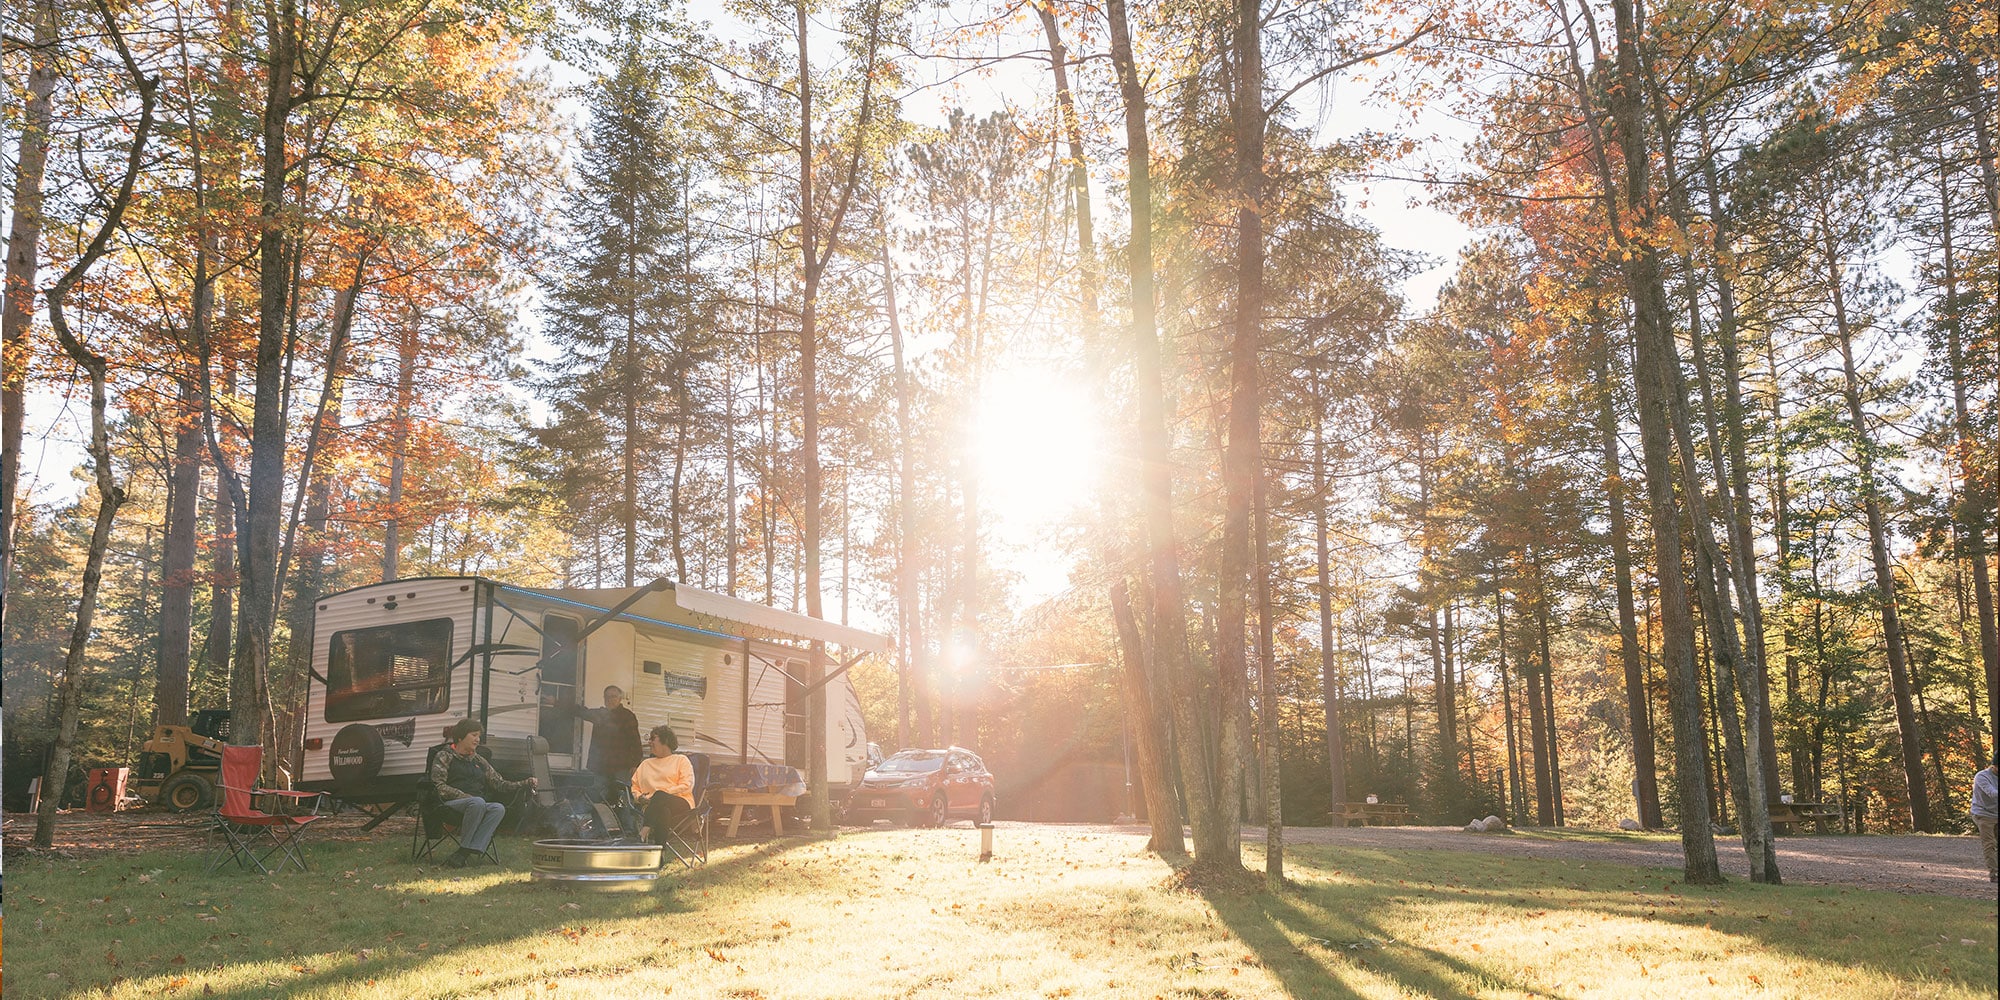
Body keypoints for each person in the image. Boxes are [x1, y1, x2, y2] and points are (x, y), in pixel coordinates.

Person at [429, 719, 537, 868]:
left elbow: (499, 783)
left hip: (476, 805)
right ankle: (464, 851)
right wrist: (465, 796)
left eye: (478, 736)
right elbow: (438, 786)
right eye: (473, 735)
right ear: (460, 737)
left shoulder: (479, 760)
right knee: (478, 802)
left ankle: (463, 853)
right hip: (449, 805)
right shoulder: (444, 756)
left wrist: (524, 783)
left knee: (498, 808)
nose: (477, 739)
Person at [576, 685, 644, 828]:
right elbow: (580, 711)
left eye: (613, 696)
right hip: (601, 767)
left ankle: (629, 828)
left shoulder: (627, 716)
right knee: (598, 797)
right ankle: (599, 827)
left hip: (622, 767)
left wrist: (635, 764)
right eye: (607, 697)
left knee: (624, 798)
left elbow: (636, 742)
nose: (610, 700)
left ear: (620, 698)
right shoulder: (600, 714)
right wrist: (556, 702)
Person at [631, 724, 694, 845]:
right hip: (652, 807)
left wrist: (663, 793)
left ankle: (644, 831)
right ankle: (660, 854)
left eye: (652, 738)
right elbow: (635, 786)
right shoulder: (646, 764)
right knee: (663, 811)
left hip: (680, 803)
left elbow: (687, 785)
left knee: (660, 795)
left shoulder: (681, 760)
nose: (649, 742)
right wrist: (639, 797)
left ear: (665, 740)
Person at [1973, 754, 1998, 884]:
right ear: (1994, 765)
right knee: (1990, 844)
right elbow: (1992, 793)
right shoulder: (1982, 776)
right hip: (1984, 814)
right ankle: (1994, 874)